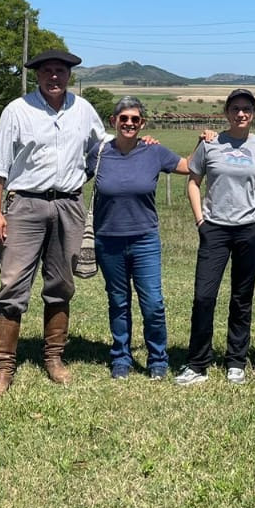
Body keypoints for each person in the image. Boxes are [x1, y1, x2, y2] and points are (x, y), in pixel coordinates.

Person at [0, 49, 104, 396]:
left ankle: (53, 358)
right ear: (37, 75)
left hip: (68, 204)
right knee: (12, 285)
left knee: (62, 283)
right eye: (48, 71)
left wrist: (92, 171)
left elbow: (102, 148)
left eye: (60, 71)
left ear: (69, 76)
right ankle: (4, 368)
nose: (54, 77)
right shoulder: (17, 111)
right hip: (25, 205)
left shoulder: (83, 110)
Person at [175, 89, 255, 387]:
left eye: (247, 109)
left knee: (241, 297)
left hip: (250, 228)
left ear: (254, 113)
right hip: (215, 229)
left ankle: (236, 361)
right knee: (203, 296)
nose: (241, 114)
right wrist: (200, 219)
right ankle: (197, 363)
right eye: (235, 108)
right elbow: (193, 181)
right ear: (226, 112)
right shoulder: (211, 144)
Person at [91, 96, 189, 380]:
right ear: (113, 122)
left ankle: (158, 358)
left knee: (153, 303)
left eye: (135, 119)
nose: (129, 123)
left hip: (145, 239)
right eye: (124, 118)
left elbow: (188, 166)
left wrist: (204, 140)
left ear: (142, 123)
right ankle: (121, 357)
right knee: (118, 301)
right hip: (108, 239)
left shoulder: (153, 152)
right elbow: (71, 177)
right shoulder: (99, 154)